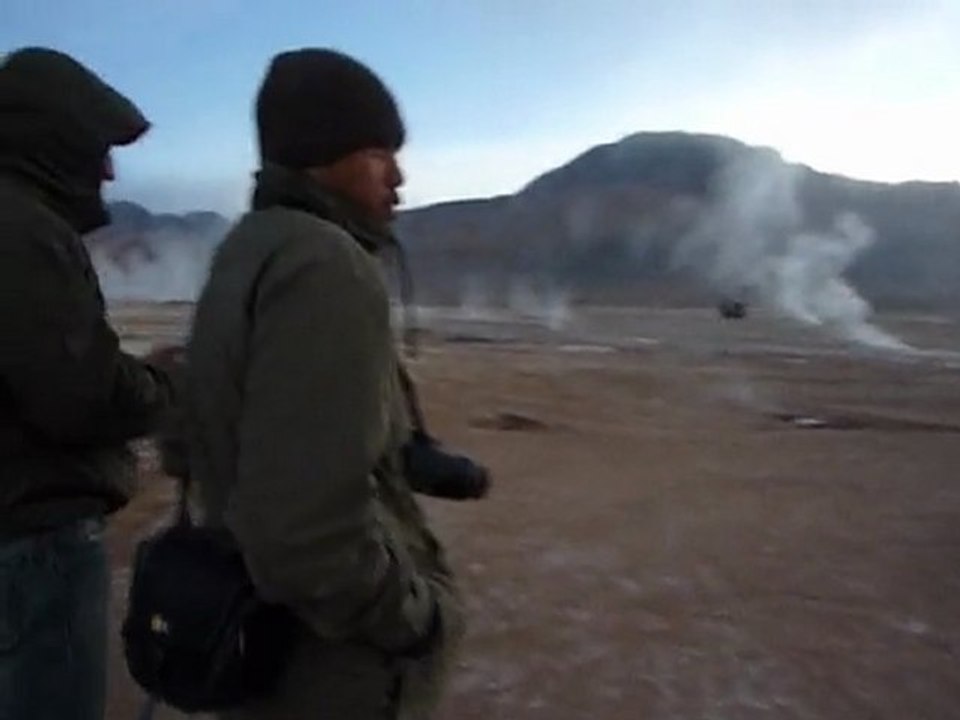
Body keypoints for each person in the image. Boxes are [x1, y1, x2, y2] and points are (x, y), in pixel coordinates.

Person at [181, 48, 487, 719]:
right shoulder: (326, 266)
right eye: (378, 152)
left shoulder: (250, 248)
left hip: (262, 641)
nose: (398, 176)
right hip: (332, 670)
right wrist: (416, 619)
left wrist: (396, 451)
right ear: (324, 153)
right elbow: (304, 537)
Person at [0, 48, 178, 720]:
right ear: (51, 141)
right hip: (35, 540)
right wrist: (165, 382)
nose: (108, 170)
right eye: (96, 148)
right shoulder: (22, 229)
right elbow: (82, 395)